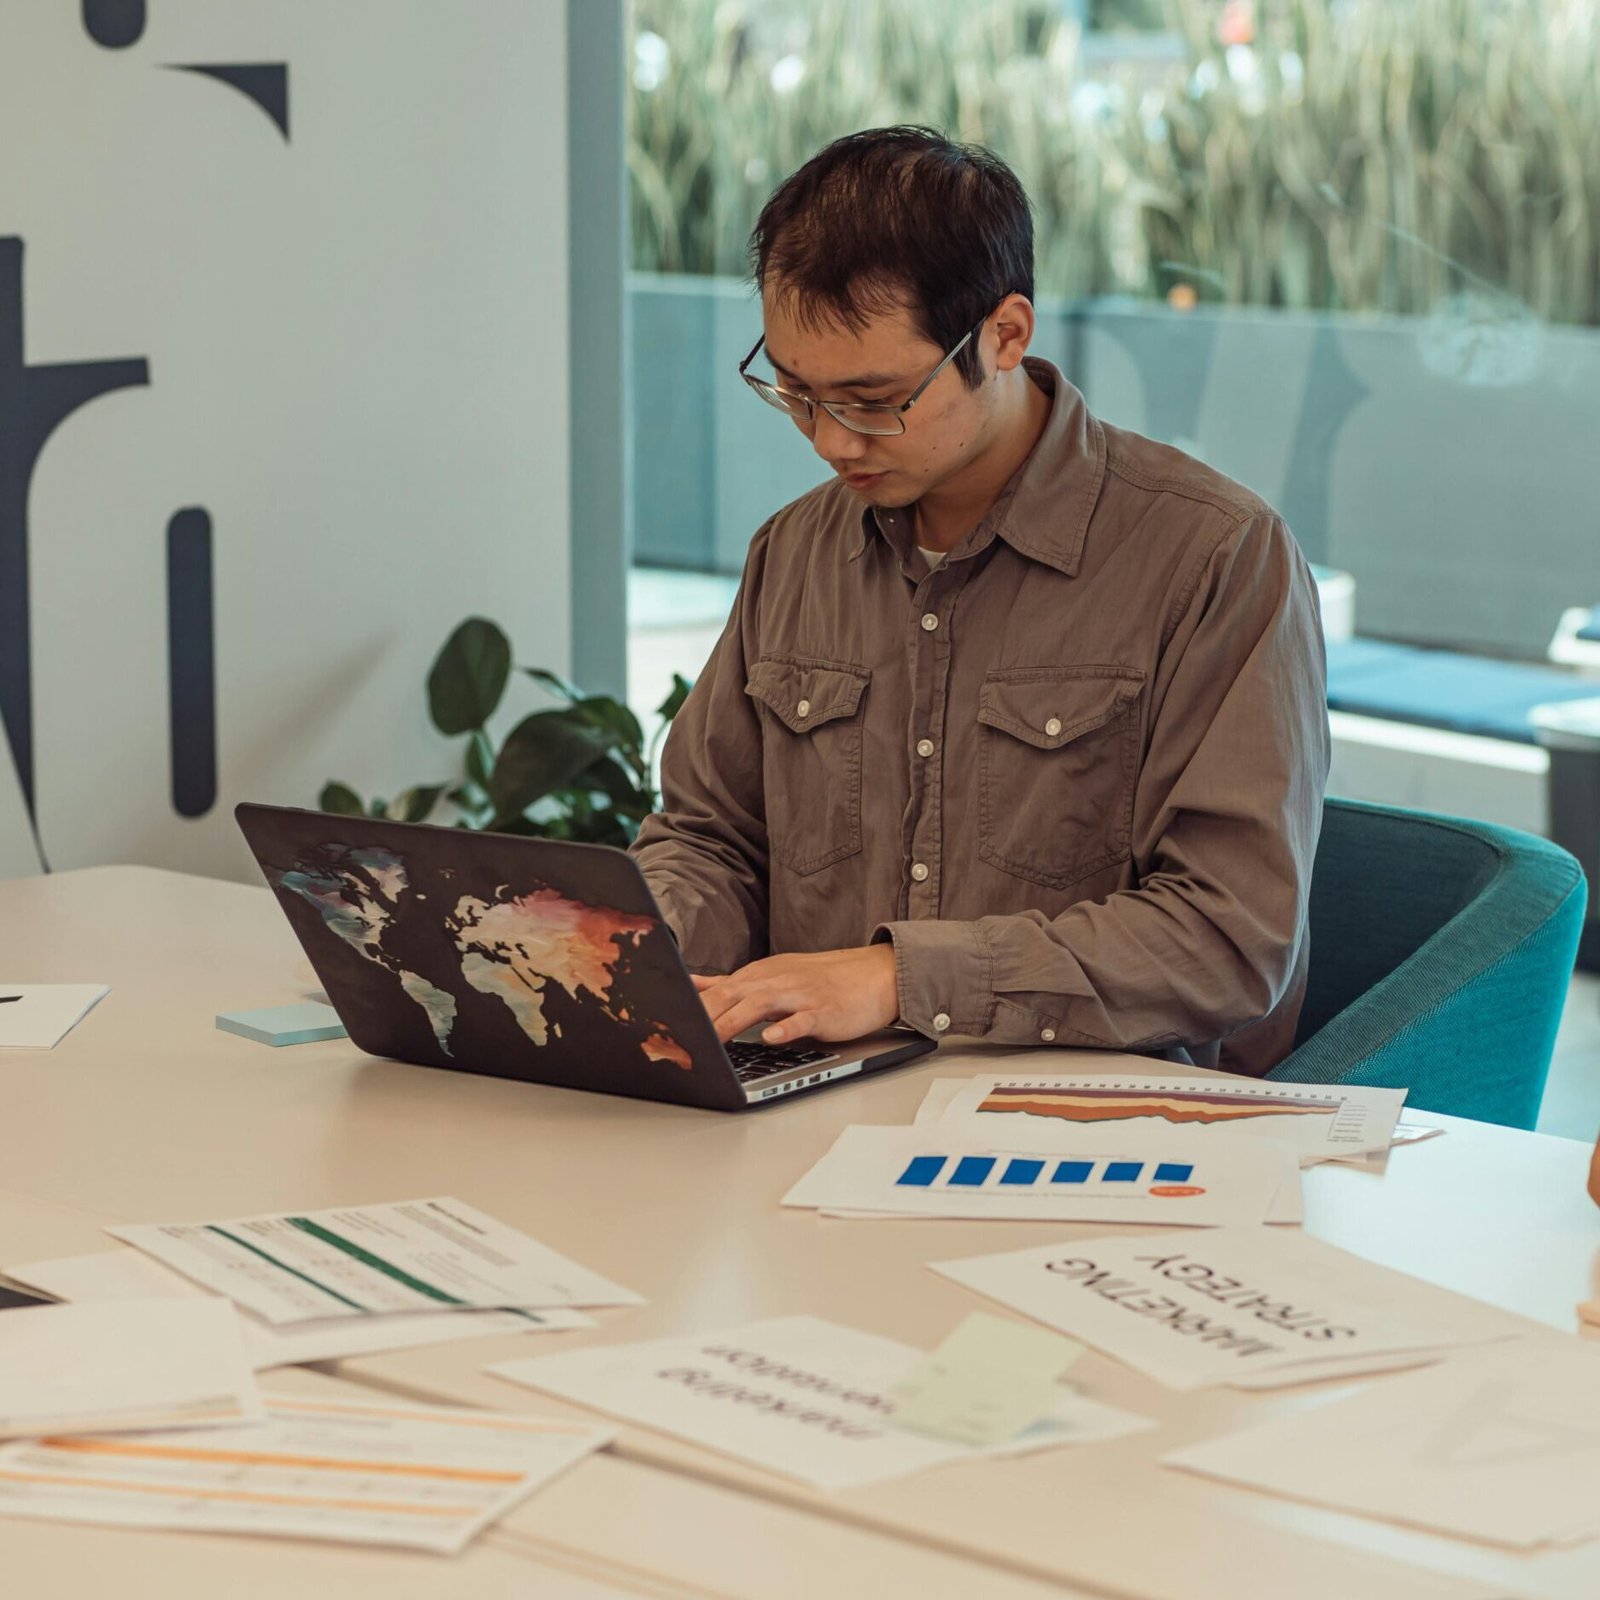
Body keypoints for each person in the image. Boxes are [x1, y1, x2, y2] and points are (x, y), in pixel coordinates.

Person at [630, 126, 1330, 1075]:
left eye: (873, 400)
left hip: (1085, 1133)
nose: (833, 444)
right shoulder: (796, 550)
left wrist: (894, 980)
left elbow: (1228, 939)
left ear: (1004, 334)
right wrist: (643, 949)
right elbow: (711, 837)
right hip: (808, 1100)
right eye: (796, 394)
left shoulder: (1214, 557)